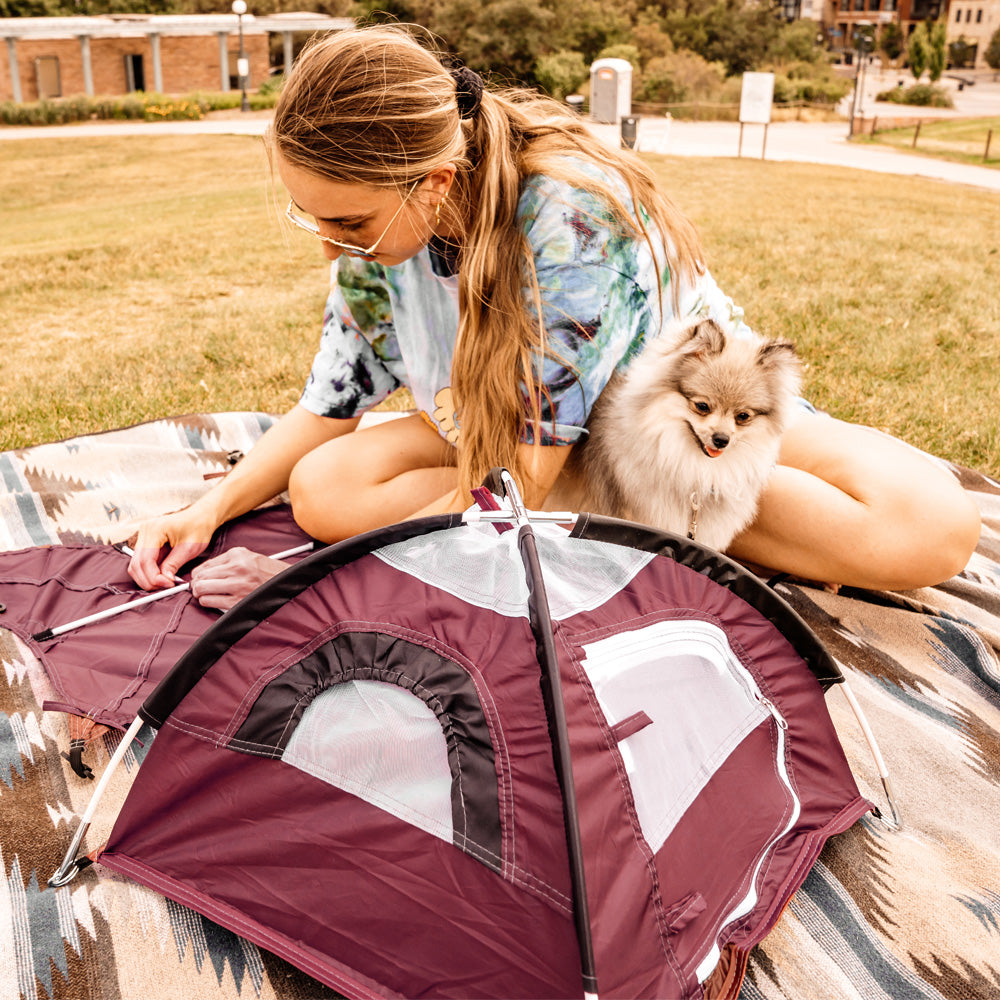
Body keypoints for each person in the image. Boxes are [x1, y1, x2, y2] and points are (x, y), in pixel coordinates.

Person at [128, 25, 980, 610]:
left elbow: (514, 485)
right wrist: (211, 510)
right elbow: (329, 408)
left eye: (346, 222)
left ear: (431, 181)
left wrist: (307, 582)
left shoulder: (570, 219)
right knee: (321, 486)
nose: (328, 246)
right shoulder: (376, 247)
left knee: (934, 528)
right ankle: (644, 524)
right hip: (501, 434)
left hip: (663, 429)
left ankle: (640, 510)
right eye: (309, 217)